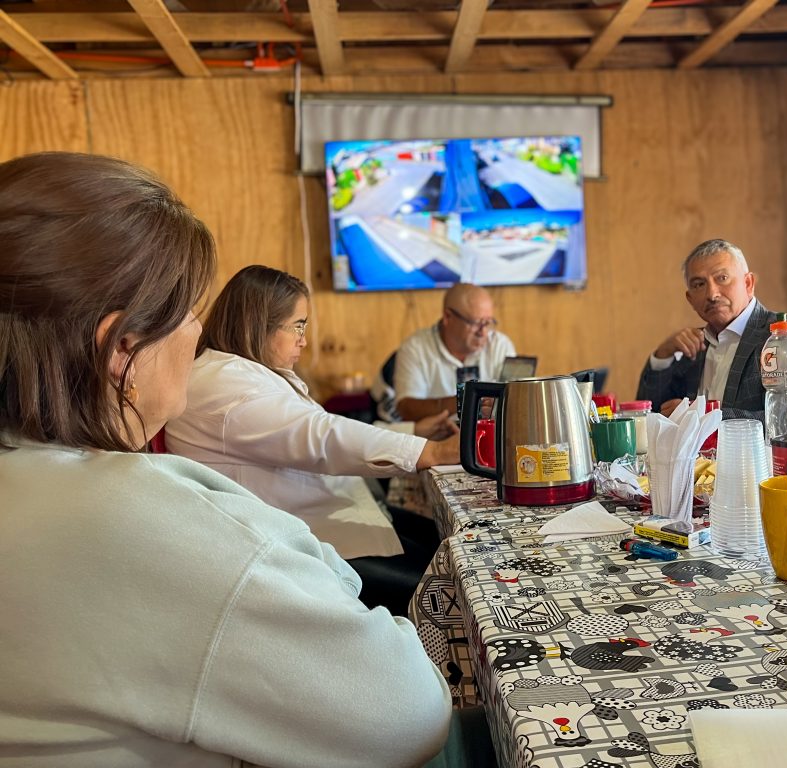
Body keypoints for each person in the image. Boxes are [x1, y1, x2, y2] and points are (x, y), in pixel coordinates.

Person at [0, 152, 451, 766]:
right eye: (189, 310)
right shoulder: (141, 511)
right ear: (122, 347)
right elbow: (409, 716)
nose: (196, 330)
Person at [165, 265, 460, 616]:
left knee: (445, 543)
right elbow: (322, 437)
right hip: (296, 545)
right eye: (298, 326)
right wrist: (431, 451)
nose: (303, 340)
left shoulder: (240, 372)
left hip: (317, 517)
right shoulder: (228, 384)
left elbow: (315, 429)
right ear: (259, 326)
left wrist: (414, 434)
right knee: (452, 586)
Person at [637, 239, 787, 425]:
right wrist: (662, 357)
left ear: (748, 283)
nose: (712, 294)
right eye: (699, 284)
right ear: (690, 299)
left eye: (722, 278)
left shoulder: (785, 339)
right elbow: (647, 417)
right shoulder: (692, 346)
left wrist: (702, 415)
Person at [394, 283, 516, 421]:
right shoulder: (415, 348)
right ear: (448, 317)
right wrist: (468, 399)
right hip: (437, 434)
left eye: (488, 323)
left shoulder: (500, 345)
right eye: (475, 323)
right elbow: (406, 408)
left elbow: (513, 403)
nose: (483, 332)